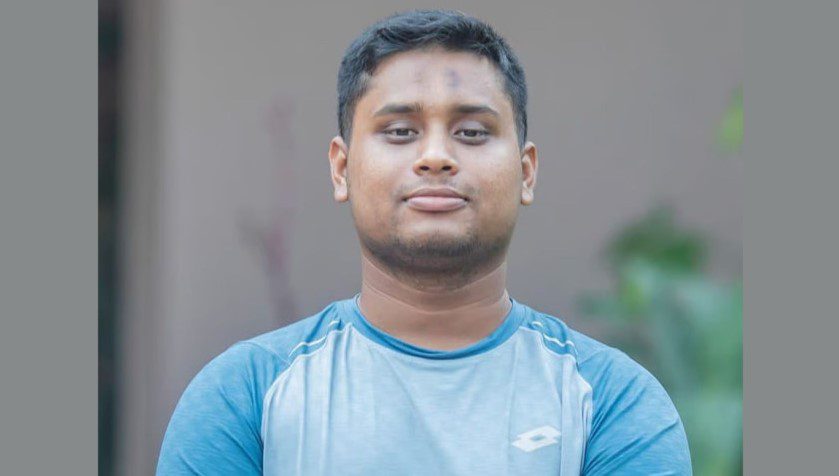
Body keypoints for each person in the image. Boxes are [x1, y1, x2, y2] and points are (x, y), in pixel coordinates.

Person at [156, 9, 692, 475]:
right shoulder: (244, 398)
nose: (435, 157)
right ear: (341, 169)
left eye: (472, 133)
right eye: (400, 132)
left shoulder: (611, 404)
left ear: (526, 172)